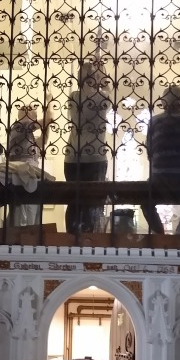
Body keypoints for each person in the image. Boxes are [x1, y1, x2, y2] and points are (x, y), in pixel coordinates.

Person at [142, 84, 180, 234]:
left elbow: (149, 150)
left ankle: (160, 233)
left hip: (160, 180)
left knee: (144, 200)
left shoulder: (154, 121)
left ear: (163, 102)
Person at [64, 61, 110, 234]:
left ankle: (74, 238)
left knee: (75, 201)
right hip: (94, 157)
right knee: (92, 202)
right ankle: (91, 239)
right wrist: (103, 81)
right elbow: (108, 95)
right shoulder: (101, 97)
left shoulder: (74, 97)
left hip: (74, 156)